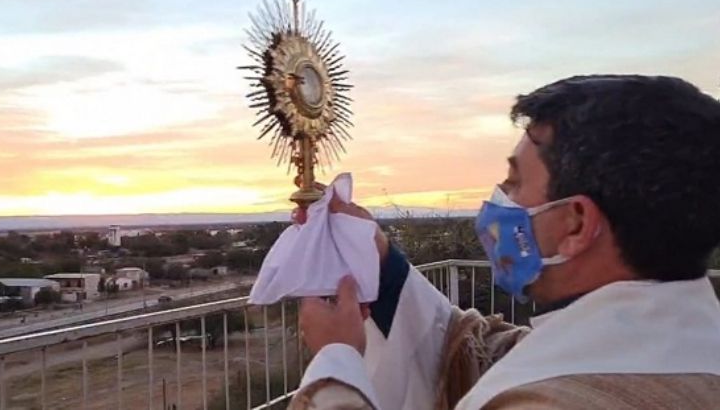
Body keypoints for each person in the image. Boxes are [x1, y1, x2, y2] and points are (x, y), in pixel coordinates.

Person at [288, 75, 720, 410]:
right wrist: (382, 264)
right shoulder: (683, 344)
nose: (500, 200)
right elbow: (480, 356)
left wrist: (337, 359)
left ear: (576, 224)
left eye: (514, 183)